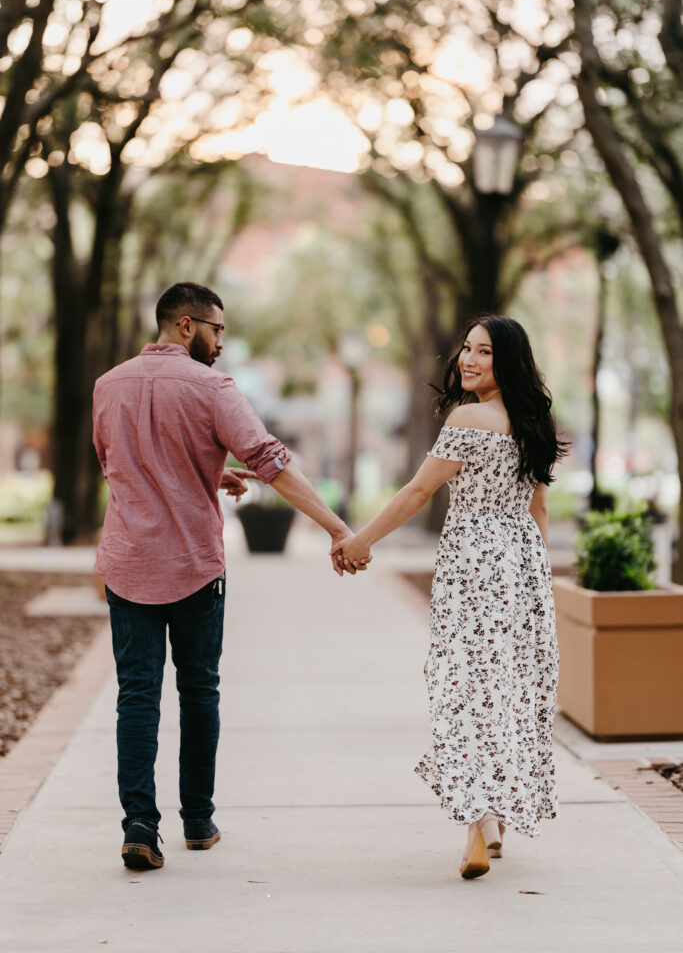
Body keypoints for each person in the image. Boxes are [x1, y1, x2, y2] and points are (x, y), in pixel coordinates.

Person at [93, 281, 362, 871]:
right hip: (192, 565)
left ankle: (140, 824)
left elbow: (123, 468)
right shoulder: (214, 388)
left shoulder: (107, 386)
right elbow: (274, 464)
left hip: (128, 562)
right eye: (217, 330)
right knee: (199, 689)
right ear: (186, 326)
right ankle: (197, 820)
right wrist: (338, 529)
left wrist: (206, 475)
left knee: (136, 694)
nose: (220, 343)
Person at [333, 315, 566, 880]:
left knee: (466, 688)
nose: (467, 360)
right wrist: (541, 582)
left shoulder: (468, 418)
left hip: (473, 566)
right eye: (466, 349)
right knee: (507, 688)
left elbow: (418, 491)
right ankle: (495, 819)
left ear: (505, 359)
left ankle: (476, 830)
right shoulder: (535, 420)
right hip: (522, 565)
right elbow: (537, 510)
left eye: (483, 352)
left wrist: (359, 540)